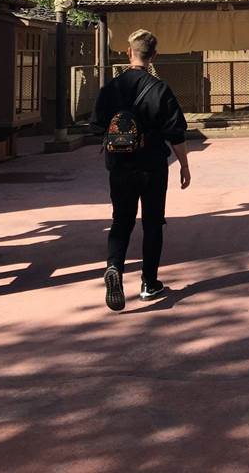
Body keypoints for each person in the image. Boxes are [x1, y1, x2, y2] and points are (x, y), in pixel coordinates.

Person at [90, 29, 190, 311]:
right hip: (153, 166)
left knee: (121, 220)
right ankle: (149, 283)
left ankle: (114, 268)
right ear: (153, 56)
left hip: (120, 165)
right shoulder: (160, 89)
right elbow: (176, 132)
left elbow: (96, 126)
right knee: (153, 223)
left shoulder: (111, 88)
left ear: (128, 52)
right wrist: (184, 165)